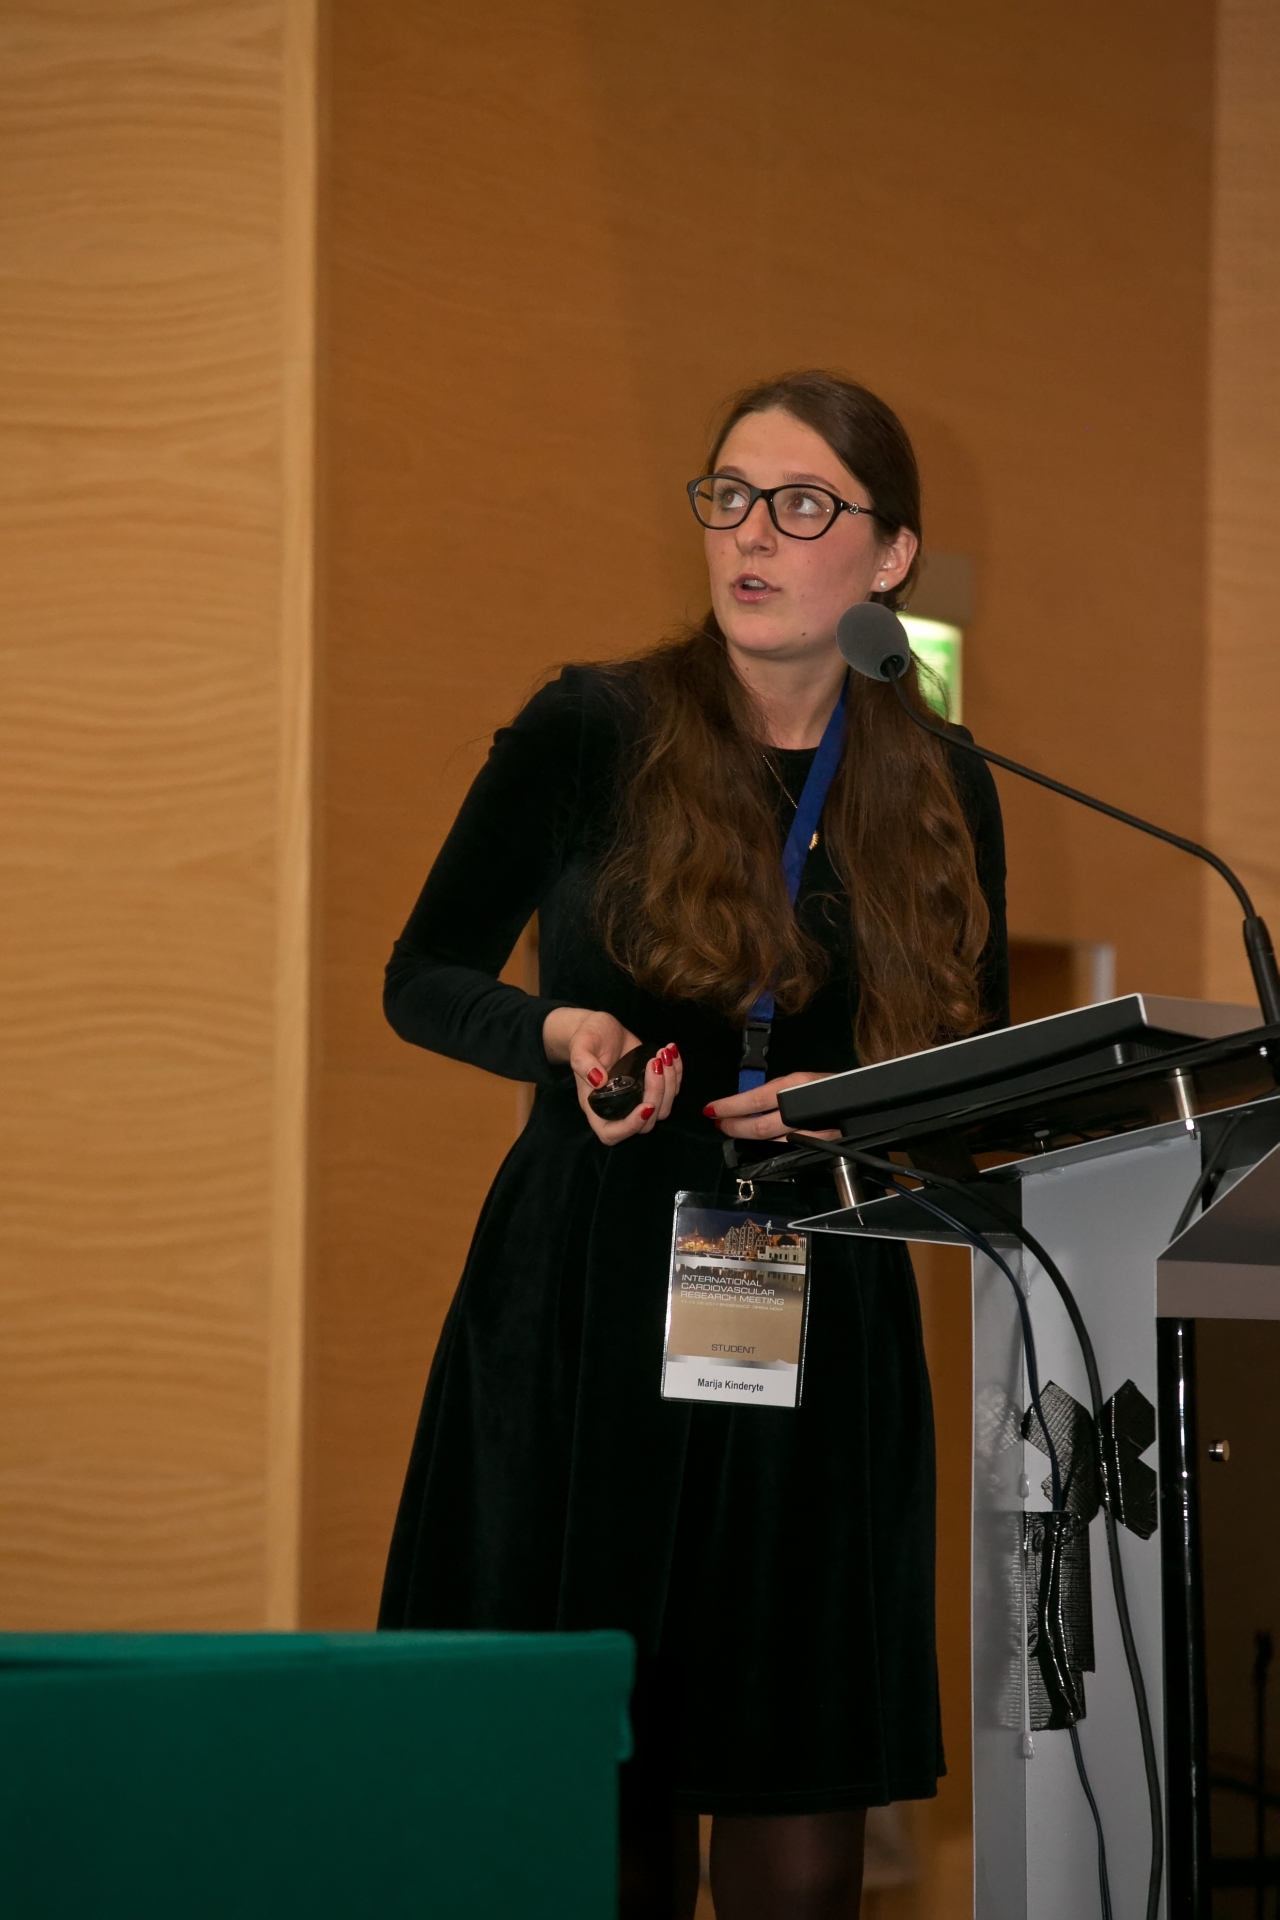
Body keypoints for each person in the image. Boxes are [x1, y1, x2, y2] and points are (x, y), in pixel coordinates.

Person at [379, 369, 1008, 1919]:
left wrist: (863, 1106)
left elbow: (972, 1072)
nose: (752, 533)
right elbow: (423, 974)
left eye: (801, 505)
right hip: (587, 1296)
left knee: (795, 1785)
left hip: (819, 1294)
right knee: (598, 1781)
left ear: (892, 556)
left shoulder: (944, 783)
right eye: (728, 496)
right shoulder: (592, 728)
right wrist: (558, 1032)